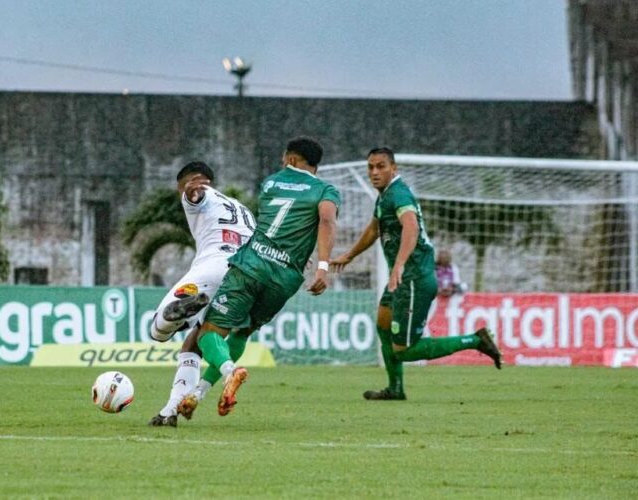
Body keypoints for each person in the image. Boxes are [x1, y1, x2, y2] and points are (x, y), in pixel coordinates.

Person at [174, 136, 340, 420]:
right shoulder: (326, 189)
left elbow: (271, 226)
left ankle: (230, 371)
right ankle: (198, 393)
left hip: (251, 265)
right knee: (243, 331)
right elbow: (325, 220)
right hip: (285, 277)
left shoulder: (271, 183)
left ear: (291, 159)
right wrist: (321, 266)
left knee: (209, 334)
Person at [330, 147, 500, 401]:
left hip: (413, 279)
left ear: (394, 168)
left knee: (403, 350)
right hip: (401, 278)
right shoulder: (385, 196)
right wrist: (350, 255)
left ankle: (475, 340)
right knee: (383, 324)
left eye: (381, 166)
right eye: (371, 167)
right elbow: (373, 229)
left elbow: (410, 226)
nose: (374, 172)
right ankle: (395, 389)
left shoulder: (399, 194)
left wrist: (398, 264)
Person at [148, 161, 255, 427]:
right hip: (243, 275)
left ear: (190, 181)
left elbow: (194, 196)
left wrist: (191, 192)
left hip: (212, 269)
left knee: (158, 331)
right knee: (194, 343)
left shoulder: (200, 193)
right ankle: (170, 410)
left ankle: (179, 313)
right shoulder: (244, 211)